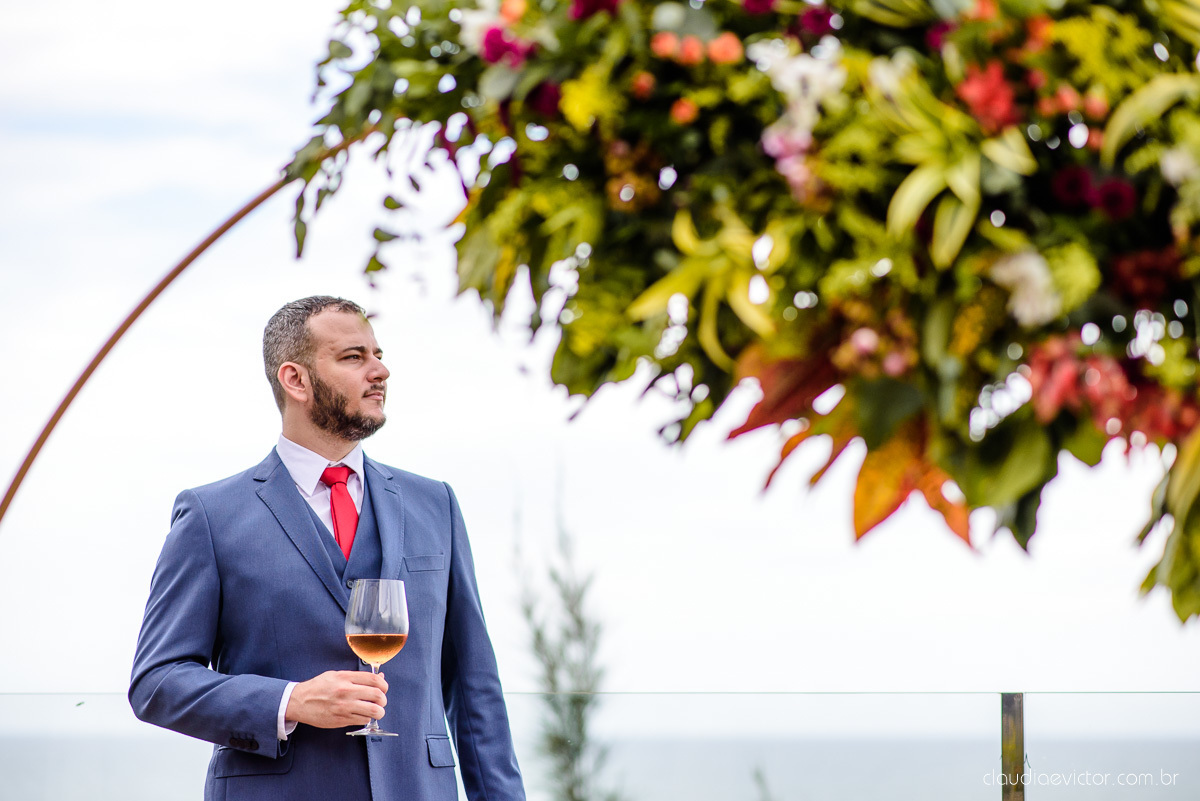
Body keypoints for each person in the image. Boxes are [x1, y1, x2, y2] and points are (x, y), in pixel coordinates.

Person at [129, 296, 525, 801]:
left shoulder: (435, 504)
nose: (380, 371)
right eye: (353, 357)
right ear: (295, 380)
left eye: (377, 354)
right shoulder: (211, 516)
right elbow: (157, 682)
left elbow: (474, 688)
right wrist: (289, 701)